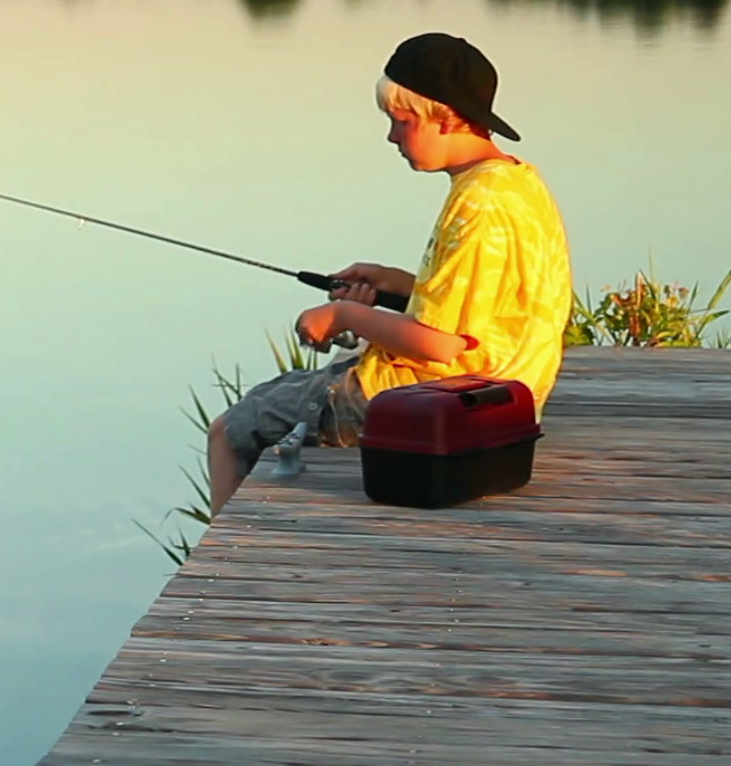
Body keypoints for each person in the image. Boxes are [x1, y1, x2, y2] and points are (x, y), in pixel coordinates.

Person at [205, 32, 573, 516]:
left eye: (401, 122)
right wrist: (391, 284)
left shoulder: (478, 203)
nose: (392, 137)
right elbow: (486, 314)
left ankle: (227, 562)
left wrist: (342, 316)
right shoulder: (517, 184)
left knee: (229, 431)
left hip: (436, 402)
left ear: (446, 117)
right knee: (274, 395)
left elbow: (442, 346)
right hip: (503, 397)